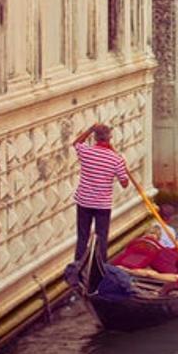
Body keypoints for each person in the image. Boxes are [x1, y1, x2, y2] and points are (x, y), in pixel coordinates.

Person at [68, 122, 129, 290]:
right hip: (102, 205)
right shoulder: (116, 159)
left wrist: (89, 129)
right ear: (109, 138)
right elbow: (124, 183)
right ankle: (100, 273)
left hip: (84, 202)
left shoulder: (86, 152)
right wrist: (123, 170)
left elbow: (76, 143)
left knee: (82, 236)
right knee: (101, 238)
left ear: (95, 137)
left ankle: (77, 271)